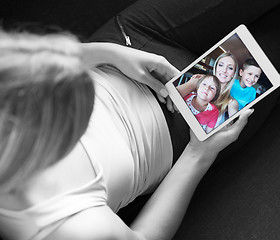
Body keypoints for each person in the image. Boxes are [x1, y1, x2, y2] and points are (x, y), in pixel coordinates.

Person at [0, 29, 253, 240]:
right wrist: (199, 154)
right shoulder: (66, 228)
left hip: (127, 44)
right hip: (182, 130)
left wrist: (108, 53)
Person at [176, 52, 240, 129]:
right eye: (221, 65)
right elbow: (175, 94)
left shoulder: (231, 102)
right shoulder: (198, 81)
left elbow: (231, 129)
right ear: (216, 67)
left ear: (233, 74)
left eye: (230, 68)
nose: (224, 70)